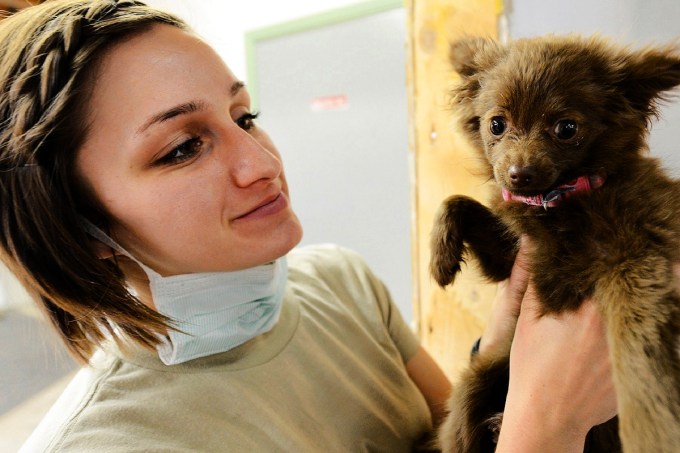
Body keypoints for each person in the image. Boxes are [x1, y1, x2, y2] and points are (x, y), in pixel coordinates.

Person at [0, 1, 615, 451]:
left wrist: (505, 353)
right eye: (182, 148)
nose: (263, 163)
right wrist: (546, 429)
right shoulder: (111, 444)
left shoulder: (341, 282)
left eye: (245, 117)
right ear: (78, 230)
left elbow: (448, 433)